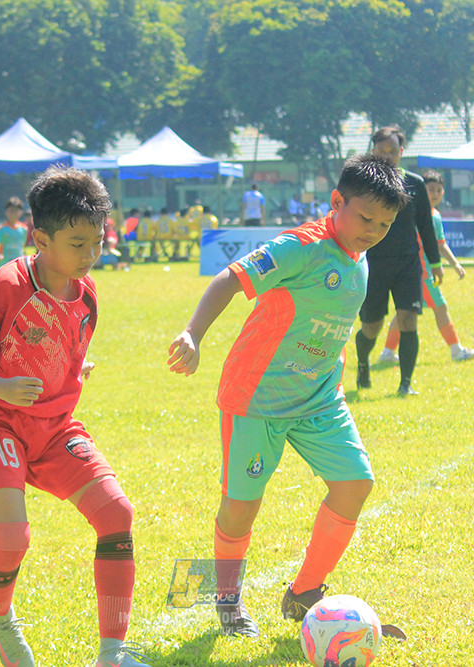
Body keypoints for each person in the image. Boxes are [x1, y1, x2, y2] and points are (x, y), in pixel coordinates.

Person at [166, 153, 410, 637]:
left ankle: (304, 593)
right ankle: (225, 598)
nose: (373, 232)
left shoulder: (359, 256)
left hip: (320, 398)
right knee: (241, 506)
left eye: (384, 225)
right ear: (336, 201)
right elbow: (230, 278)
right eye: (366, 218)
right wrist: (193, 333)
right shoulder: (299, 247)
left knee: (355, 483)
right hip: (257, 397)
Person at [0, 166, 150, 667]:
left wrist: (76, 369)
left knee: (116, 515)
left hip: (55, 430)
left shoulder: (87, 294)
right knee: (11, 539)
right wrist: (3, 387)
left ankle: (113, 654)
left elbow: (63, 352)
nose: (90, 254)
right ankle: (1, 618)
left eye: (97, 242)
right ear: (40, 239)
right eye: (78, 244)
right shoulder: (8, 285)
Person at [354, 125, 443, 396]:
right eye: (382, 150)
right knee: (371, 326)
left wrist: (435, 263)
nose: (388, 155)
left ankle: (406, 384)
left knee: (408, 319)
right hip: (373, 264)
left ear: (402, 152)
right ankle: (362, 363)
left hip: (408, 264)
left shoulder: (415, 183)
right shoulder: (363, 183)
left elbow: (426, 226)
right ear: (373, 151)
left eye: (393, 151)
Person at [378, 171, 474, 364]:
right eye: (430, 189)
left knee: (404, 312)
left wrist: (455, 264)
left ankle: (387, 353)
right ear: (421, 190)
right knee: (440, 308)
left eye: (438, 190)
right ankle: (457, 351)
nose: (435, 194)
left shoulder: (436, 216)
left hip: (423, 272)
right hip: (420, 272)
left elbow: (440, 244)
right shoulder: (413, 212)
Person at [0, 196, 29, 268]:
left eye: (15, 211)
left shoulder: (24, 229)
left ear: (21, 212)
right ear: (6, 212)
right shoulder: (3, 229)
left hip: (19, 263)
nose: (13, 213)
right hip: (5, 263)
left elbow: (22, 245)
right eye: (11, 211)